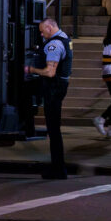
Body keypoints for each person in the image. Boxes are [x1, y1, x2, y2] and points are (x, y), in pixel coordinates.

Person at [25, 18, 73, 179]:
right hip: (59, 87)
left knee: (53, 130)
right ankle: (58, 167)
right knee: (54, 129)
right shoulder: (64, 38)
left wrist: (30, 69)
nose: (41, 33)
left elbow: (50, 72)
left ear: (50, 27)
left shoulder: (54, 45)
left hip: (54, 88)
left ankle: (58, 169)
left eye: (42, 30)